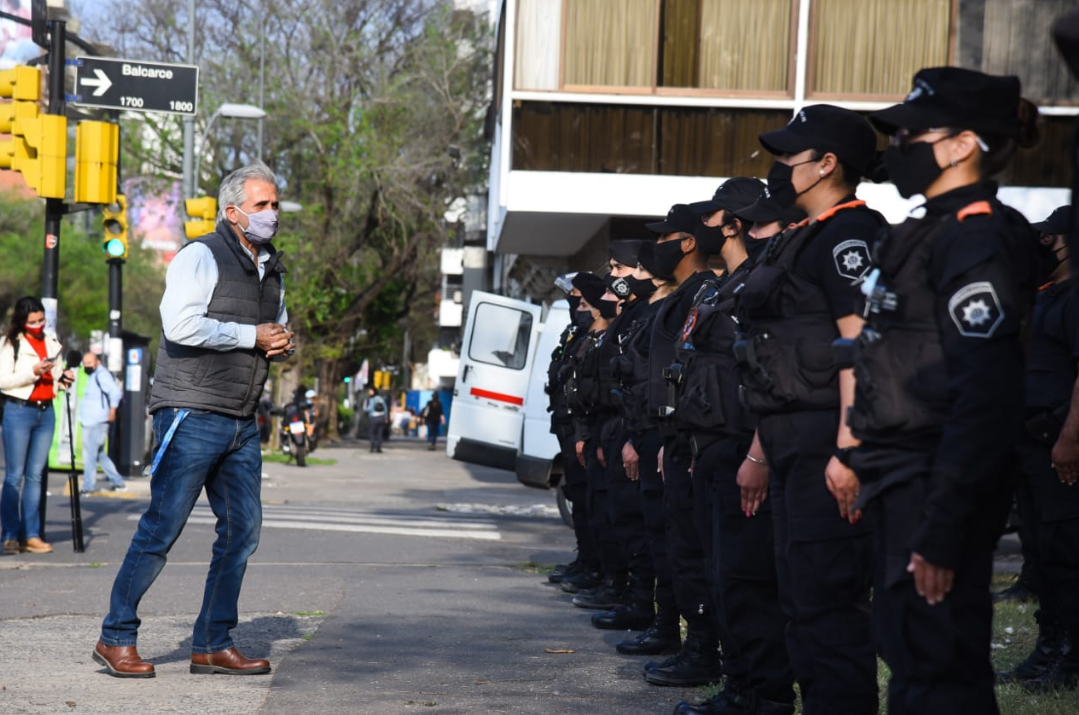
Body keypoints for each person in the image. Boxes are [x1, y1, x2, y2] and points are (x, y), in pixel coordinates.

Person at [849, 67, 1041, 712]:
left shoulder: (975, 237)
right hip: (903, 477)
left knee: (937, 667)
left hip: (934, 483)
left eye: (911, 133)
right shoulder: (928, 228)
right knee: (913, 656)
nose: (898, 145)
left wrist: (943, 528)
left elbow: (984, 395)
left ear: (962, 144)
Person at [95, 162, 295, 678]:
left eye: (275, 204)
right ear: (233, 213)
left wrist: (278, 340)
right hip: (190, 411)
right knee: (162, 527)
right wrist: (252, 336)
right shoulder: (199, 255)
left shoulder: (271, 266)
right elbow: (181, 325)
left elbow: (273, 325)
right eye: (262, 206)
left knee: (243, 531)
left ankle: (211, 643)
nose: (272, 214)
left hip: (241, 418)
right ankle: (115, 636)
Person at [735, 105, 886, 715]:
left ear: (827, 164)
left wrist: (850, 450)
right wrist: (763, 451)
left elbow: (864, 347)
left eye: (788, 159)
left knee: (829, 607)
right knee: (798, 603)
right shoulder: (801, 238)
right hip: (792, 441)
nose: (778, 170)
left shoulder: (852, 235)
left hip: (831, 441)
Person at [674, 178, 797, 715]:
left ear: (735, 223)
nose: (704, 229)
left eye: (712, 219)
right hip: (715, 447)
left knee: (748, 581)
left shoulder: (762, 280)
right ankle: (741, 686)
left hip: (745, 448)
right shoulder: (730, 284)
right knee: (725, 578)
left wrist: (757, 452)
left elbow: (770, 374)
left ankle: (764, 696)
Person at [999, 205, 1079, 691]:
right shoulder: (1045, 296)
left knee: (1068, 556)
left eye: (1049, 240)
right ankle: (1049, 649)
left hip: (1059, 448)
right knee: (1045, 556)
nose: (1041, 248)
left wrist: (1070, 438)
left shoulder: (1074, 298)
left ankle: (1069, 661)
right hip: (1029, 444)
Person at [0, 296, 73, 556]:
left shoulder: (51, 341)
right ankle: (9, 536)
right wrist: (33, 371)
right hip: (19, 411)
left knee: (35, 477)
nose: (38, 325)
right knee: (14, 476)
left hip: (46, 412)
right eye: (32, 321)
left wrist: (62, 378)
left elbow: (53, 376)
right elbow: (3, 380)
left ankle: (31, 535)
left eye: (41, 319)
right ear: (21, 321)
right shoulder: (10, 344)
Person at [78, 351, 126, 495]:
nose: (87, 366)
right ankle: (118, 482)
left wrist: (112, 412)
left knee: (90, 455)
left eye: (89, 363)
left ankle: (88, 486)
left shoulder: (101, 374)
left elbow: (115, 392)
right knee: (99, 455)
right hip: (90, 421)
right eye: (85, 363)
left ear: (97, 362)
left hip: (97, 422)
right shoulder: (94, 375)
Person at [364, 388, 388, 453]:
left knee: (372, 433)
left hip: (374, 417)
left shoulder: (371, 399)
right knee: (380, 433)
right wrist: (386, 417)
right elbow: (385, 408)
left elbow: (369, 409)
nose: (369, 392)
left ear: (373, 392)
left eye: (370, 391)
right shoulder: (380, 398)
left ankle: (372, 446)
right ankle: (378, 447)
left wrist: (365, 407)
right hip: (381, 417)